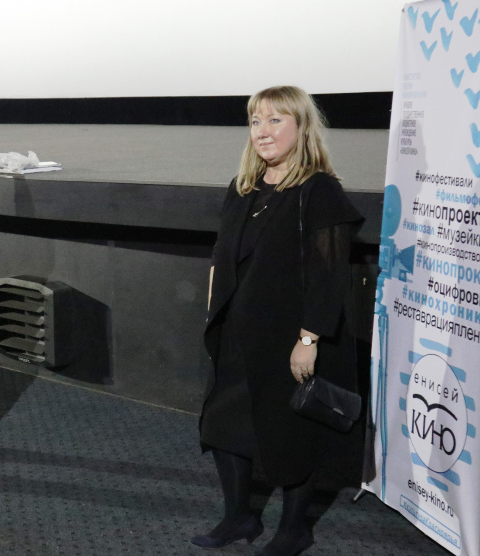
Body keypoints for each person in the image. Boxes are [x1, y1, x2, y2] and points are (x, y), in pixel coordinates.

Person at [191, 86, 362, 555]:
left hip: (291, 336)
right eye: (255, 121)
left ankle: (294, 529)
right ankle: (239, 518)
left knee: (292, 433)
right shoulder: (242, 187)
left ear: (301, 127)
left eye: (275, 120)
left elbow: (329, 274)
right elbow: (221, 255)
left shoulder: (319, 190)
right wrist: (214, 310)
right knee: (222, 427)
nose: (262, 132)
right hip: (237, 334)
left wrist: (308, 339)